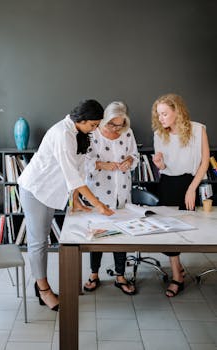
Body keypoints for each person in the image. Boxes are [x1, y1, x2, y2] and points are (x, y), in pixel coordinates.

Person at [18, 99, 114, 311]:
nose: (95, 129)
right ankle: (43, 290)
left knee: (42, 240)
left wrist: (76, 201)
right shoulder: (62, 133)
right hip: (36, 190)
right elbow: (72, 176)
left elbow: (79, 169)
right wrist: (98, 205)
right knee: (38, 242)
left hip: (50, 191)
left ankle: (40, 285)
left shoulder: (78, 132)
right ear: (82, 119)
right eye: (93, 125)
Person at [152, 93, 210, 297]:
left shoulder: (198, 129)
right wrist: (159, 165)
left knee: (189, 229)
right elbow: (165, 166)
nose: (161, 118)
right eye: (158, 114)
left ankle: (179, 270)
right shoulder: (160, 134)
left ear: (177, 111)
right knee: (169, 232)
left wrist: (192, 188)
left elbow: (204, 162)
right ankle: (177, 275)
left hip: (190, 183)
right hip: (168, 183)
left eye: (165, 113)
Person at [83, 101, 139, 295]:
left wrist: (129, 161)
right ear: (104, 119)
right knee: (98, 233)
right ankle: (93, 274)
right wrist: (102, 165)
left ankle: (120, 276)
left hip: (122, 189)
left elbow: (135, 156)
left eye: (120, 124)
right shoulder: (92, 133)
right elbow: (83, 162)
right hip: (98, 191)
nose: (116, 128)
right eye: (112, 124)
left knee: (120, 234)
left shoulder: (127, 132)